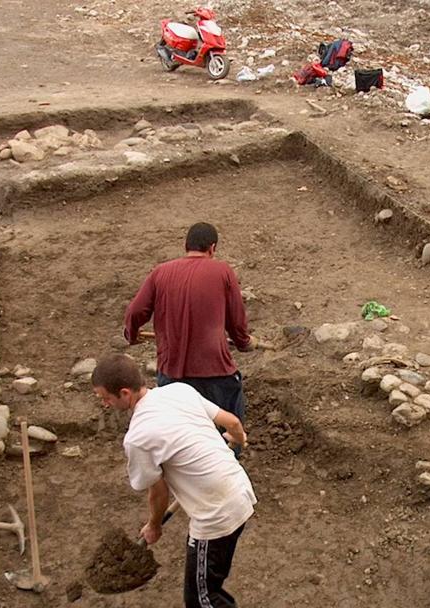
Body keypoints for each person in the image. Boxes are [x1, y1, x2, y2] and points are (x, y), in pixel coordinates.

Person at [92, 353, 256, 608]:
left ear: (124, 393)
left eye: (105, 398)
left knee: (202, 600)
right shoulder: (179, 391)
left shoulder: (138, 437)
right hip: (240, 491)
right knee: (207, 588)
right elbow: (233, 422)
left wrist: (154, 526)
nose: (104, 404)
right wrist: (239, 439)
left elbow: (158, 493)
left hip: (217, 514)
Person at [124, 222, 256, 426]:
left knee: (180, 431)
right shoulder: (222, 271)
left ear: (186, 245)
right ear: (212, 248)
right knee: (229, 428)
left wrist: (131, 335)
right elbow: (236, 320)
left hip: (172, 375)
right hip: (214, 372)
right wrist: (244, 342)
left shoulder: (161, 272)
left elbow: (135, 311)